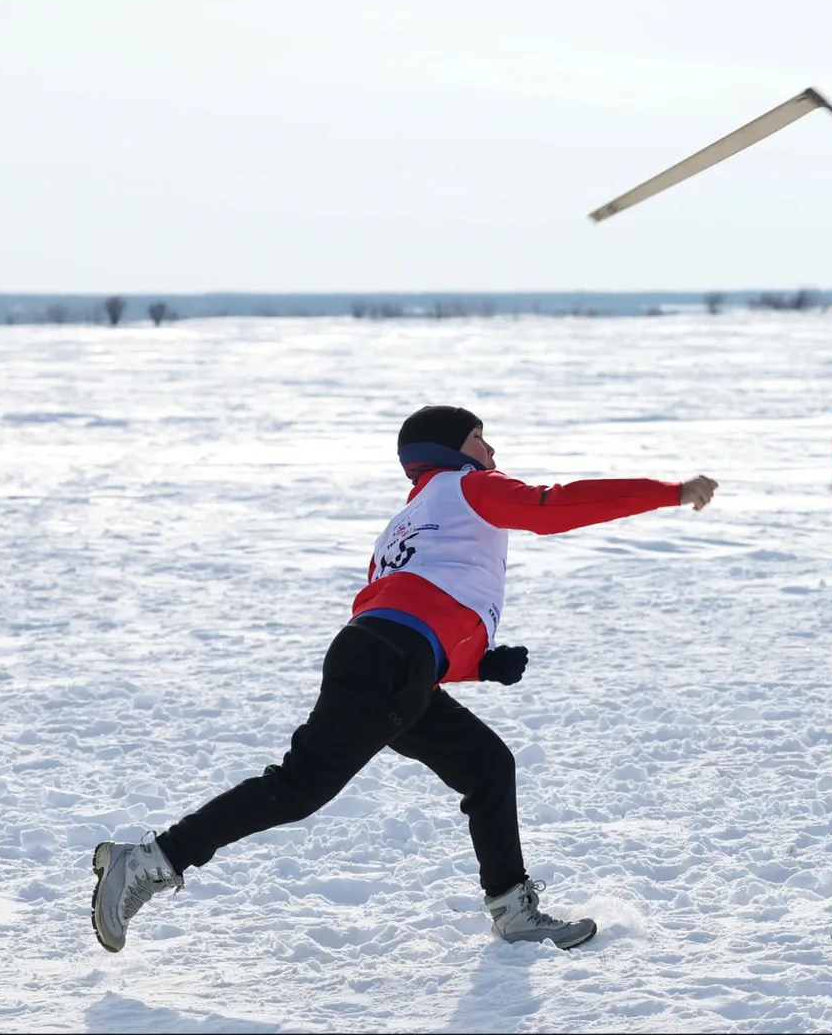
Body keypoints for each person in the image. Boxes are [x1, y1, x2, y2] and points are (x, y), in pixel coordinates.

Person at [89, 406, 719, 953]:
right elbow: (550, 507)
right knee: (299, 787)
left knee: (487, 767)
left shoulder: (411, 518)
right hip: (391, 661)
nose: (492, 451)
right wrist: (670, 491)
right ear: (449, 450)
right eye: (480, 437)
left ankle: (512, 910)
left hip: (388, 660)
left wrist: (475, 663)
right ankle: (150, 859)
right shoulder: (468, 486)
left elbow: (410, 607)